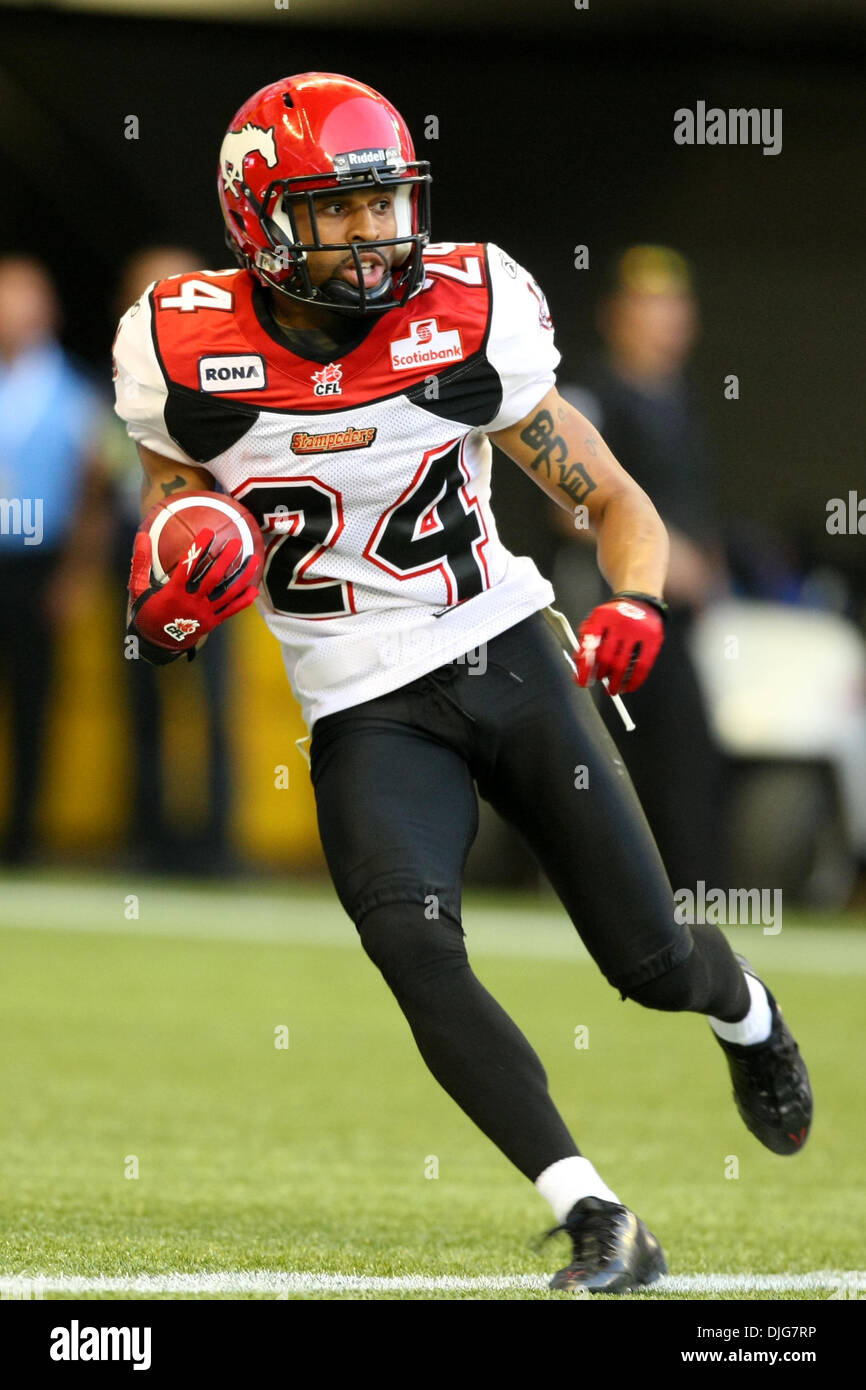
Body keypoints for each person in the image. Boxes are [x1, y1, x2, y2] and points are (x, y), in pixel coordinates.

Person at [112, 74, 812, 1294]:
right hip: (358, 704)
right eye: (340, 211)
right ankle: (596, 1213)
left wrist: (635, 600)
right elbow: (178, 523)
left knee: (647, 962)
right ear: (259, 223)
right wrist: (165, 599)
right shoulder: (181, 348)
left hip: (502, 649)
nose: (377, 236)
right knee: (410, 943)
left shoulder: (463, 314)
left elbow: (609, 501)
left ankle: (744, 1011)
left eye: (387, 204)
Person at [552, 246, 729, 889]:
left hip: (672, 616)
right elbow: (569, 502)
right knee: (602, 754)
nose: (662, 321)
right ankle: (593, 887)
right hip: (607, 602)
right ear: (614, 315)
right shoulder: (588, 393)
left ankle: (691, 897)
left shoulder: (684, 401)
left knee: (687, 753)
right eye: (647, 306)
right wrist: (660, 556)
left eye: (673, 307)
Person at [0, 256, 109, 863]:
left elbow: (92, 492)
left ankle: (23, 836)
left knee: (34, 701)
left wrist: (75, 576)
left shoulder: (75, 393)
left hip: (38, 565)